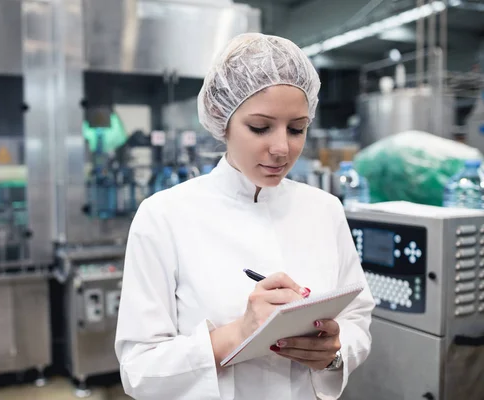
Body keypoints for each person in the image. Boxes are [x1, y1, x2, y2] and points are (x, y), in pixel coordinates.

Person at [115, 33, 375, 400]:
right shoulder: (164, 216)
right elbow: (139, 370)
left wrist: (333, 353)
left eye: (297, 128)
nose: (282, 147)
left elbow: (357, 318)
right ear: (223, 121)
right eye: (260, 127)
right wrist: (237, 334)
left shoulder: (325, 209)